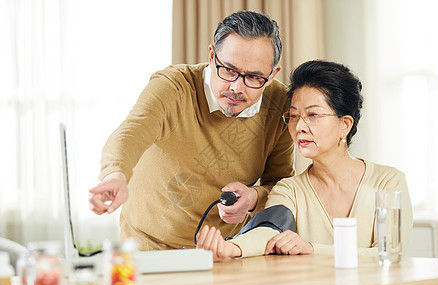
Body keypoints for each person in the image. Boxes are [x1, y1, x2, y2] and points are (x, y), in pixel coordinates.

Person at [88, 10, 295, 250]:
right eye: (228, 70)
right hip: (149, 246)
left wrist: (253, 198)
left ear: (272, 75)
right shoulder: (173, 87)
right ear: (211, 56)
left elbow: (280, 183)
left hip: (224, 249)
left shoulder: (280, 104)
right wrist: (115, 175)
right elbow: (131, 133)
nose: (236, 87)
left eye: (254, 77)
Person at [195, 60, 413, 261]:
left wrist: (311, 248)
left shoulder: (388, 183)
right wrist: (231, 248)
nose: (299, 127)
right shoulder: (289, 189)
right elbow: (268, 230)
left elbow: (391, 253)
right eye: (294, 116)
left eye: (313, 115)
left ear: (344, 124)